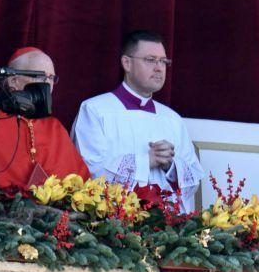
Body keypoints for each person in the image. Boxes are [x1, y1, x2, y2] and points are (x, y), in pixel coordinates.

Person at [71, 30, 204, 213]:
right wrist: (145, 161)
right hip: (114, 226)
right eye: (150, 60)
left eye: (163, 61)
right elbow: (89, 170)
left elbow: (194, 180)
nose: (159, 68)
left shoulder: (172, 119)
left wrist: (170, 165)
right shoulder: (95, 110)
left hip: (167, 226)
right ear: (127, 63)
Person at [0, 47, 90, 189]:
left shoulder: (55, 127)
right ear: (13, 81)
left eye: (51, 78)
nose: (48, 84)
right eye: (39, 76)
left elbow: (81, 184)